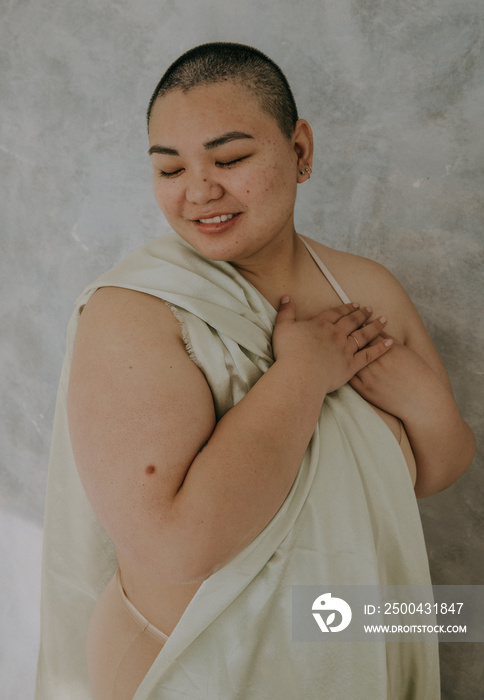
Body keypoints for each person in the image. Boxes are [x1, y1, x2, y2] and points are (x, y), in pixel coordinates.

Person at [36, 43, 475, 700]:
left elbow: (439, 470)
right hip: (200, 674)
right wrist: (301, 376)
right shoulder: (135, 313)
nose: (200, 190)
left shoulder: (363, 290)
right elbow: (177, 547)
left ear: (300, 150)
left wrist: (425, 402)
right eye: (170, 168)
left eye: (231, 158)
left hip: (353, 648)